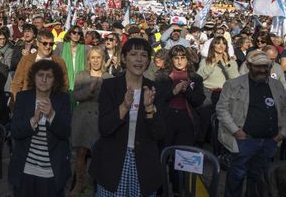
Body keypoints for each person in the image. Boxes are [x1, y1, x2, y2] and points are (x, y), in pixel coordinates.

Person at [90, 38, 164, 197]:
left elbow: (160, 134)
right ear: (123, 58)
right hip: (113, 163)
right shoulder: (110, 86)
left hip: (143, 164)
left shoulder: (154, 89)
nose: (139, 59)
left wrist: (150, 109)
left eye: (144, 55)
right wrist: (124, 106)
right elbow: (104, 128)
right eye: (133, 54)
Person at [216, 50, 286, 197]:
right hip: (244, 141)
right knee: (236, 178)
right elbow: (221, 109)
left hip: (270, 141)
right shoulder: (233, 84)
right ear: (249, 66)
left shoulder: (277, 85)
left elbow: (285, 110)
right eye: (258, 66)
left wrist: (282, 133)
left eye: (266, 66)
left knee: (260, 181)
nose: (262, 70)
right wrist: (236, 131)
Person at [9, 60, 71, 197]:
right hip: (25, 171)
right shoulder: (23, 97)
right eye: (40, 75)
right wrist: (33, 121)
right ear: (33, 77)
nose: (44, 79)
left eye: (49, 76)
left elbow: (65, 132)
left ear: (55, 80)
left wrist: (51, 115)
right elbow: (15, 130)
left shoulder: (63, 100)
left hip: (51, 173)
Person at [70, 47, 112, 197]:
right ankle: (80, 183)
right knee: (80, 153)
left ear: (102, 59)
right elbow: (76, 95)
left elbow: (111, 101)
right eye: (92, 58)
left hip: (99, 118)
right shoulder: (82, 75)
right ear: (88, 60)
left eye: (98, 57)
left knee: (98, 153)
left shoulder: (108, 77)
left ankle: (97, 184)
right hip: (82, 118)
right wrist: (89, 89)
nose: (95, 60)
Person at [155, 45, 205, 147]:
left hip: (187, 118)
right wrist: (173, 92)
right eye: (176, 58)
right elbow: (158, 98)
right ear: (171, 59)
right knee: (164, 151)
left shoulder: (195, 78)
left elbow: (199, 101)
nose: (179, 61)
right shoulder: (162, 76)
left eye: (183, 58)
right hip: (166, 118)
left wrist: (187, 91)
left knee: (182, 154)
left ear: (187, 59)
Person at [196, 36, 239, 144]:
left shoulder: (231, 62)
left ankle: (217, 143)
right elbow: (200, 76)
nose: (221, 46)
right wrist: (213, 62)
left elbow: (235, 79)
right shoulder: (206, 60)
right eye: (218, 43)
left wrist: (226, 64)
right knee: (204, 119)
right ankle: (200, 143)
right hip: (208, 92)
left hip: (224, 93)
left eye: (223, 43)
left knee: (222, 120)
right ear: (213, 45)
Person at [11, 30, 68, 105]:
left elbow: (64, 85)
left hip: (51, 105)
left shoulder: (59, 62)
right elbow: (17, 83)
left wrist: (57, 103)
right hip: (28, 103)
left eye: (51, 44)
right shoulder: (26, 60)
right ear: (37, 43)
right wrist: (18, 102)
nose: (48, 47)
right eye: (45, 43)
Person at [54, 26, 87, 109]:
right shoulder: (60, 46)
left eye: (79, 33)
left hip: (80, 84)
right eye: (74, 32)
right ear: (69, 34)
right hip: (62, 83)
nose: (76, 35)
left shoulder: (86, 49)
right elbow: (53, 63)